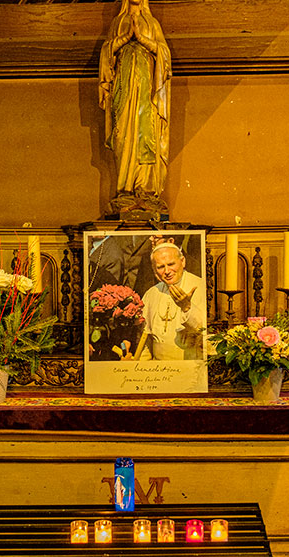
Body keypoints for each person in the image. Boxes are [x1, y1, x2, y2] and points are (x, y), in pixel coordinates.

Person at [98, 0, 171, 215]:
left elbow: (164, 54)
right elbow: (106, 52)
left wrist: (142, 40)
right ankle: (125, 190)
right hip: (123, 88)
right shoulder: (118, 22)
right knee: (122, 135)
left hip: (147, 90)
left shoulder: (153, 23)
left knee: (146, 136)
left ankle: (145, 190)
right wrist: (124, 39)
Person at [139, 243, 205, 360]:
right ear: (154, 269)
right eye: (160, 267)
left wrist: (187, 307)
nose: (167, 271)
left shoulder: (200, 287)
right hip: (157, 369)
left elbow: (203, 329)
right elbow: (146, 340)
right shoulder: (152, 293)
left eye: (171, 264)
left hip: (189, 365)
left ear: (183, 261)